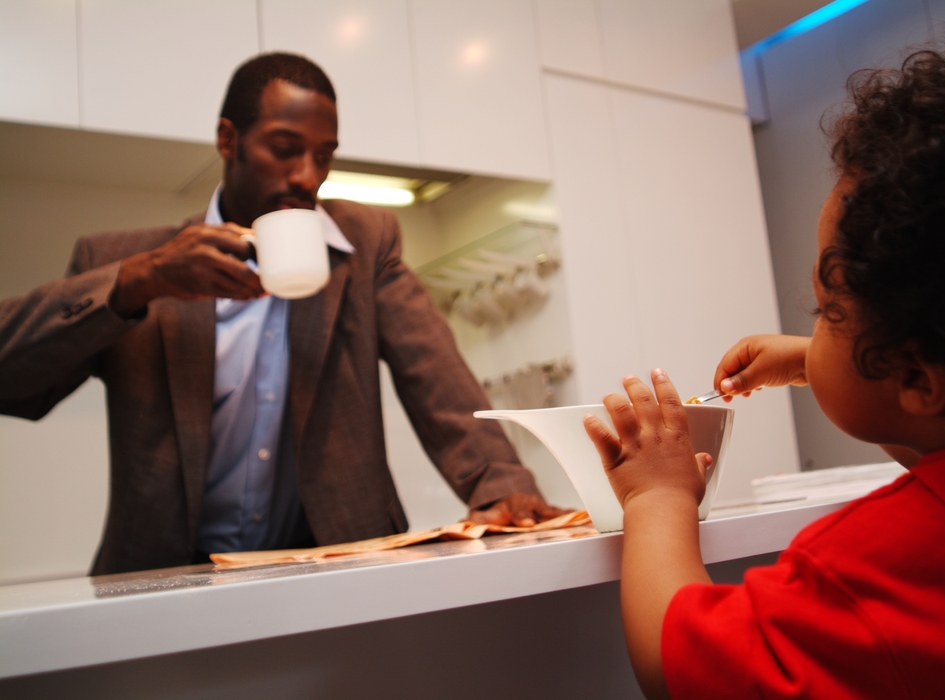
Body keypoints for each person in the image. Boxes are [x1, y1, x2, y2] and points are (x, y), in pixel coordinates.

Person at [583, 28, 945, 699]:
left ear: (916, 377)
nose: (815, 329)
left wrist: (657, 499)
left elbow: (675, 658)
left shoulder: (878, 568)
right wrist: (821, 360)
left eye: (826, 312)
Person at [0, 53, 564, 576]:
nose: (306, 176)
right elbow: (12, 380)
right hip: (165, 575)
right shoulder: (124, 263)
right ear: (229, 139)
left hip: (335, 569)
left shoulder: (364, 244)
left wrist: (502, 482)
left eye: (323, 155)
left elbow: (438, 378)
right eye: (285, 147)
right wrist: (138, 281)